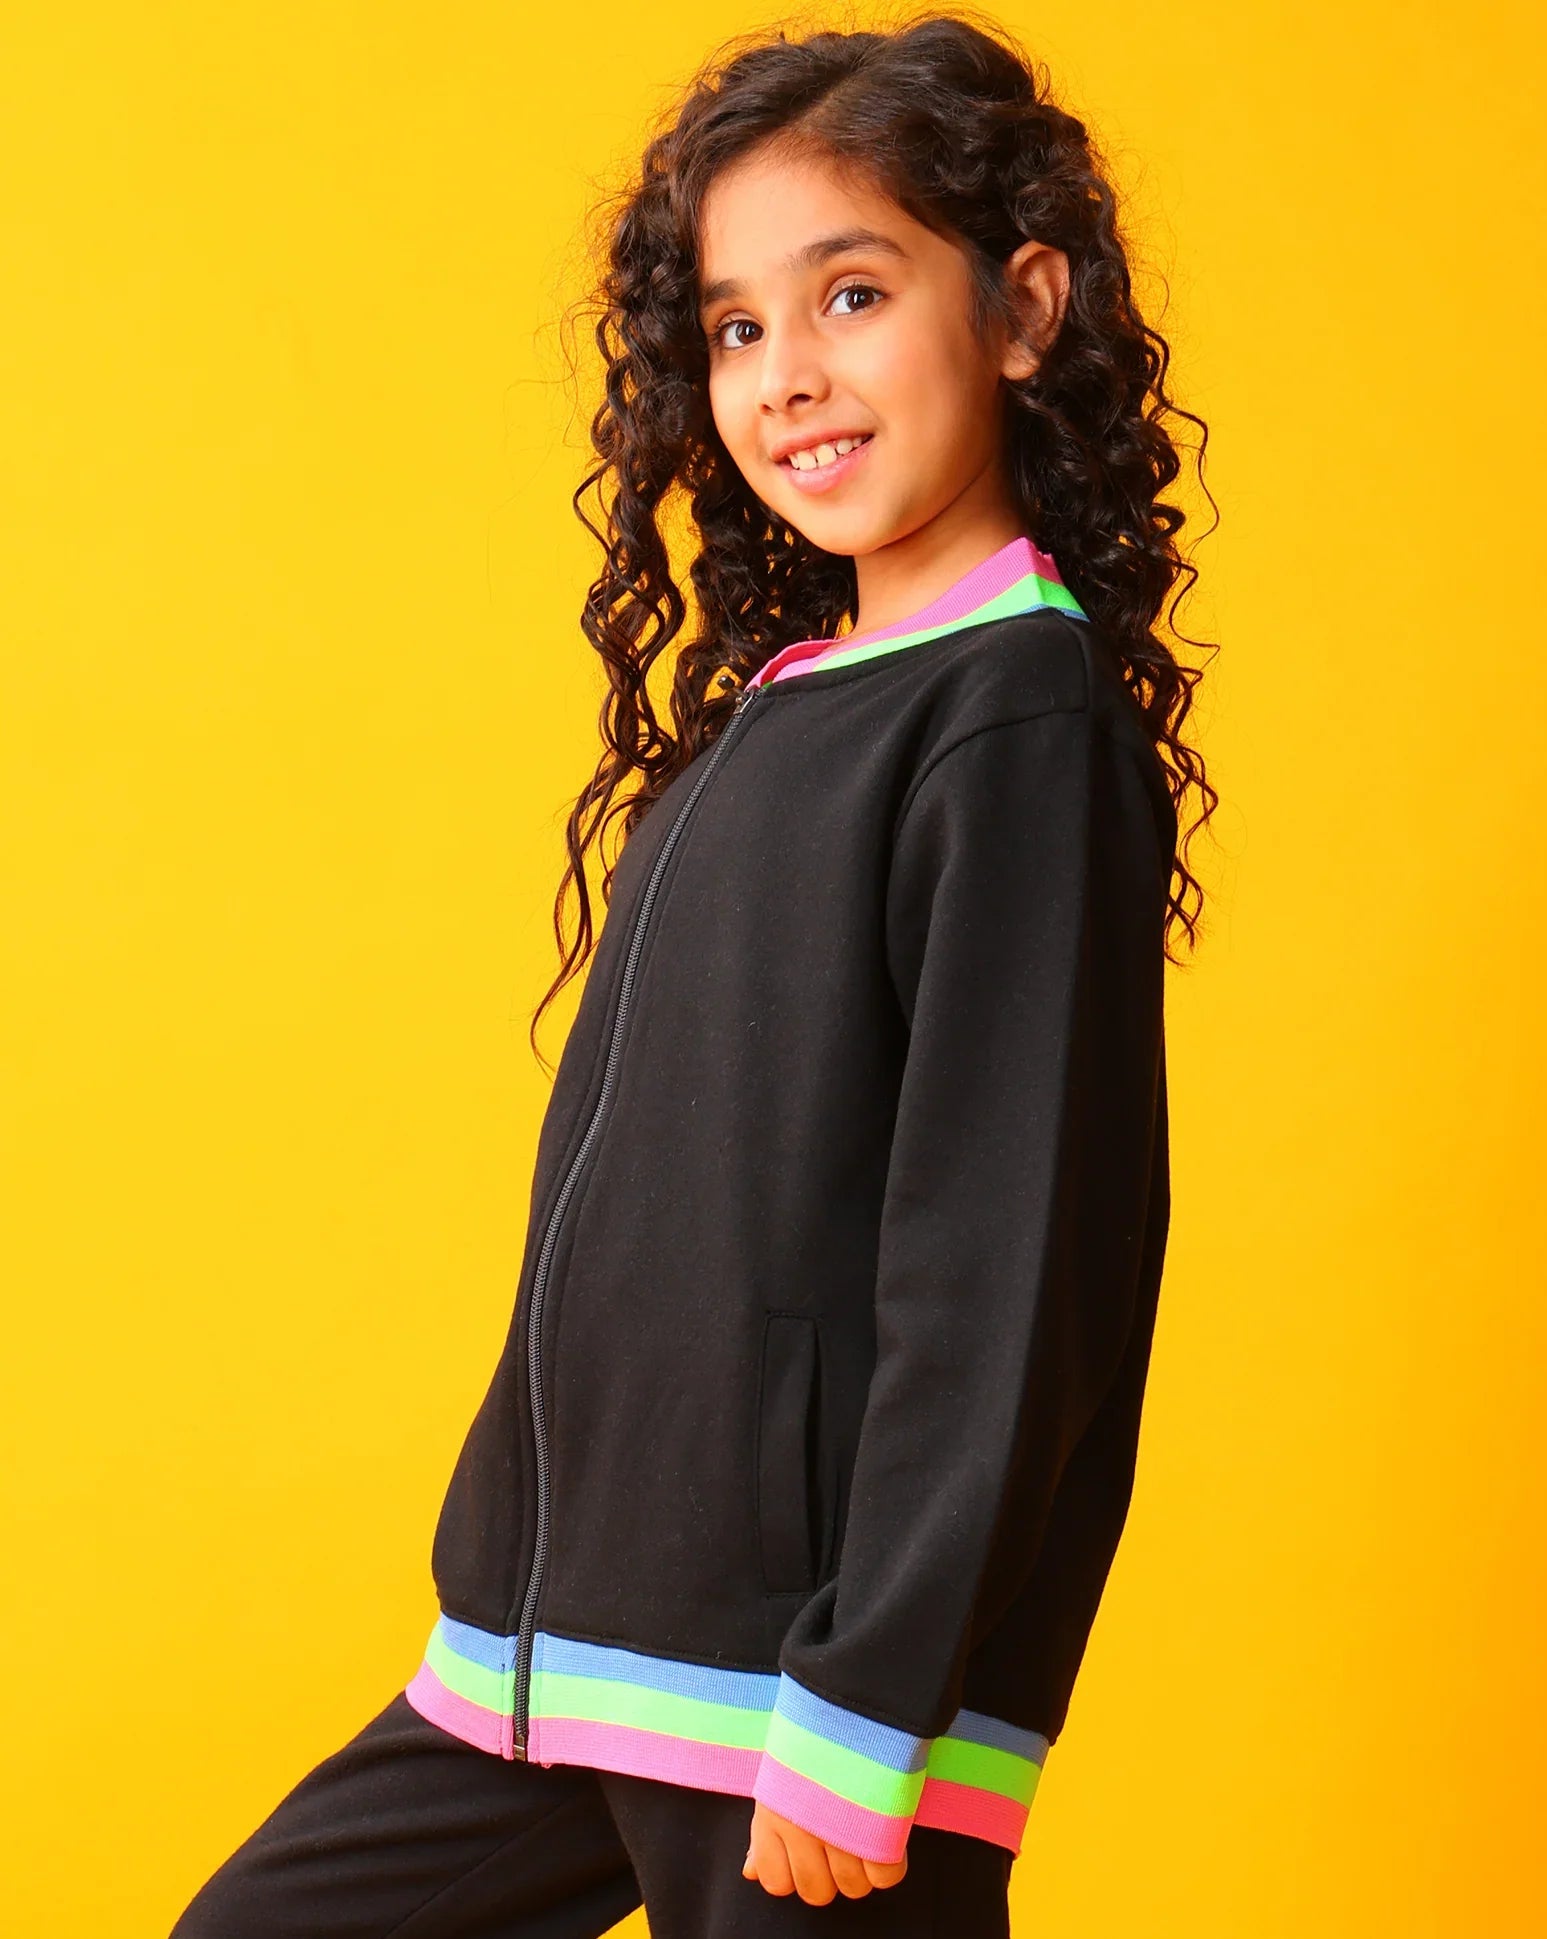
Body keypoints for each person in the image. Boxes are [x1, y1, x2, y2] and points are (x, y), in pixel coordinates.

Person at [170, 12, 1216, 1937]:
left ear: (1019, 309)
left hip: (804, 1707)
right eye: (737, 327)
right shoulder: (782, 711)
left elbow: (1011, 1262)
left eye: (851, 294)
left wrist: (872, 1693)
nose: (786, 373)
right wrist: (502, 1576)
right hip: (558, 1660)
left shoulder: (1014, 716)